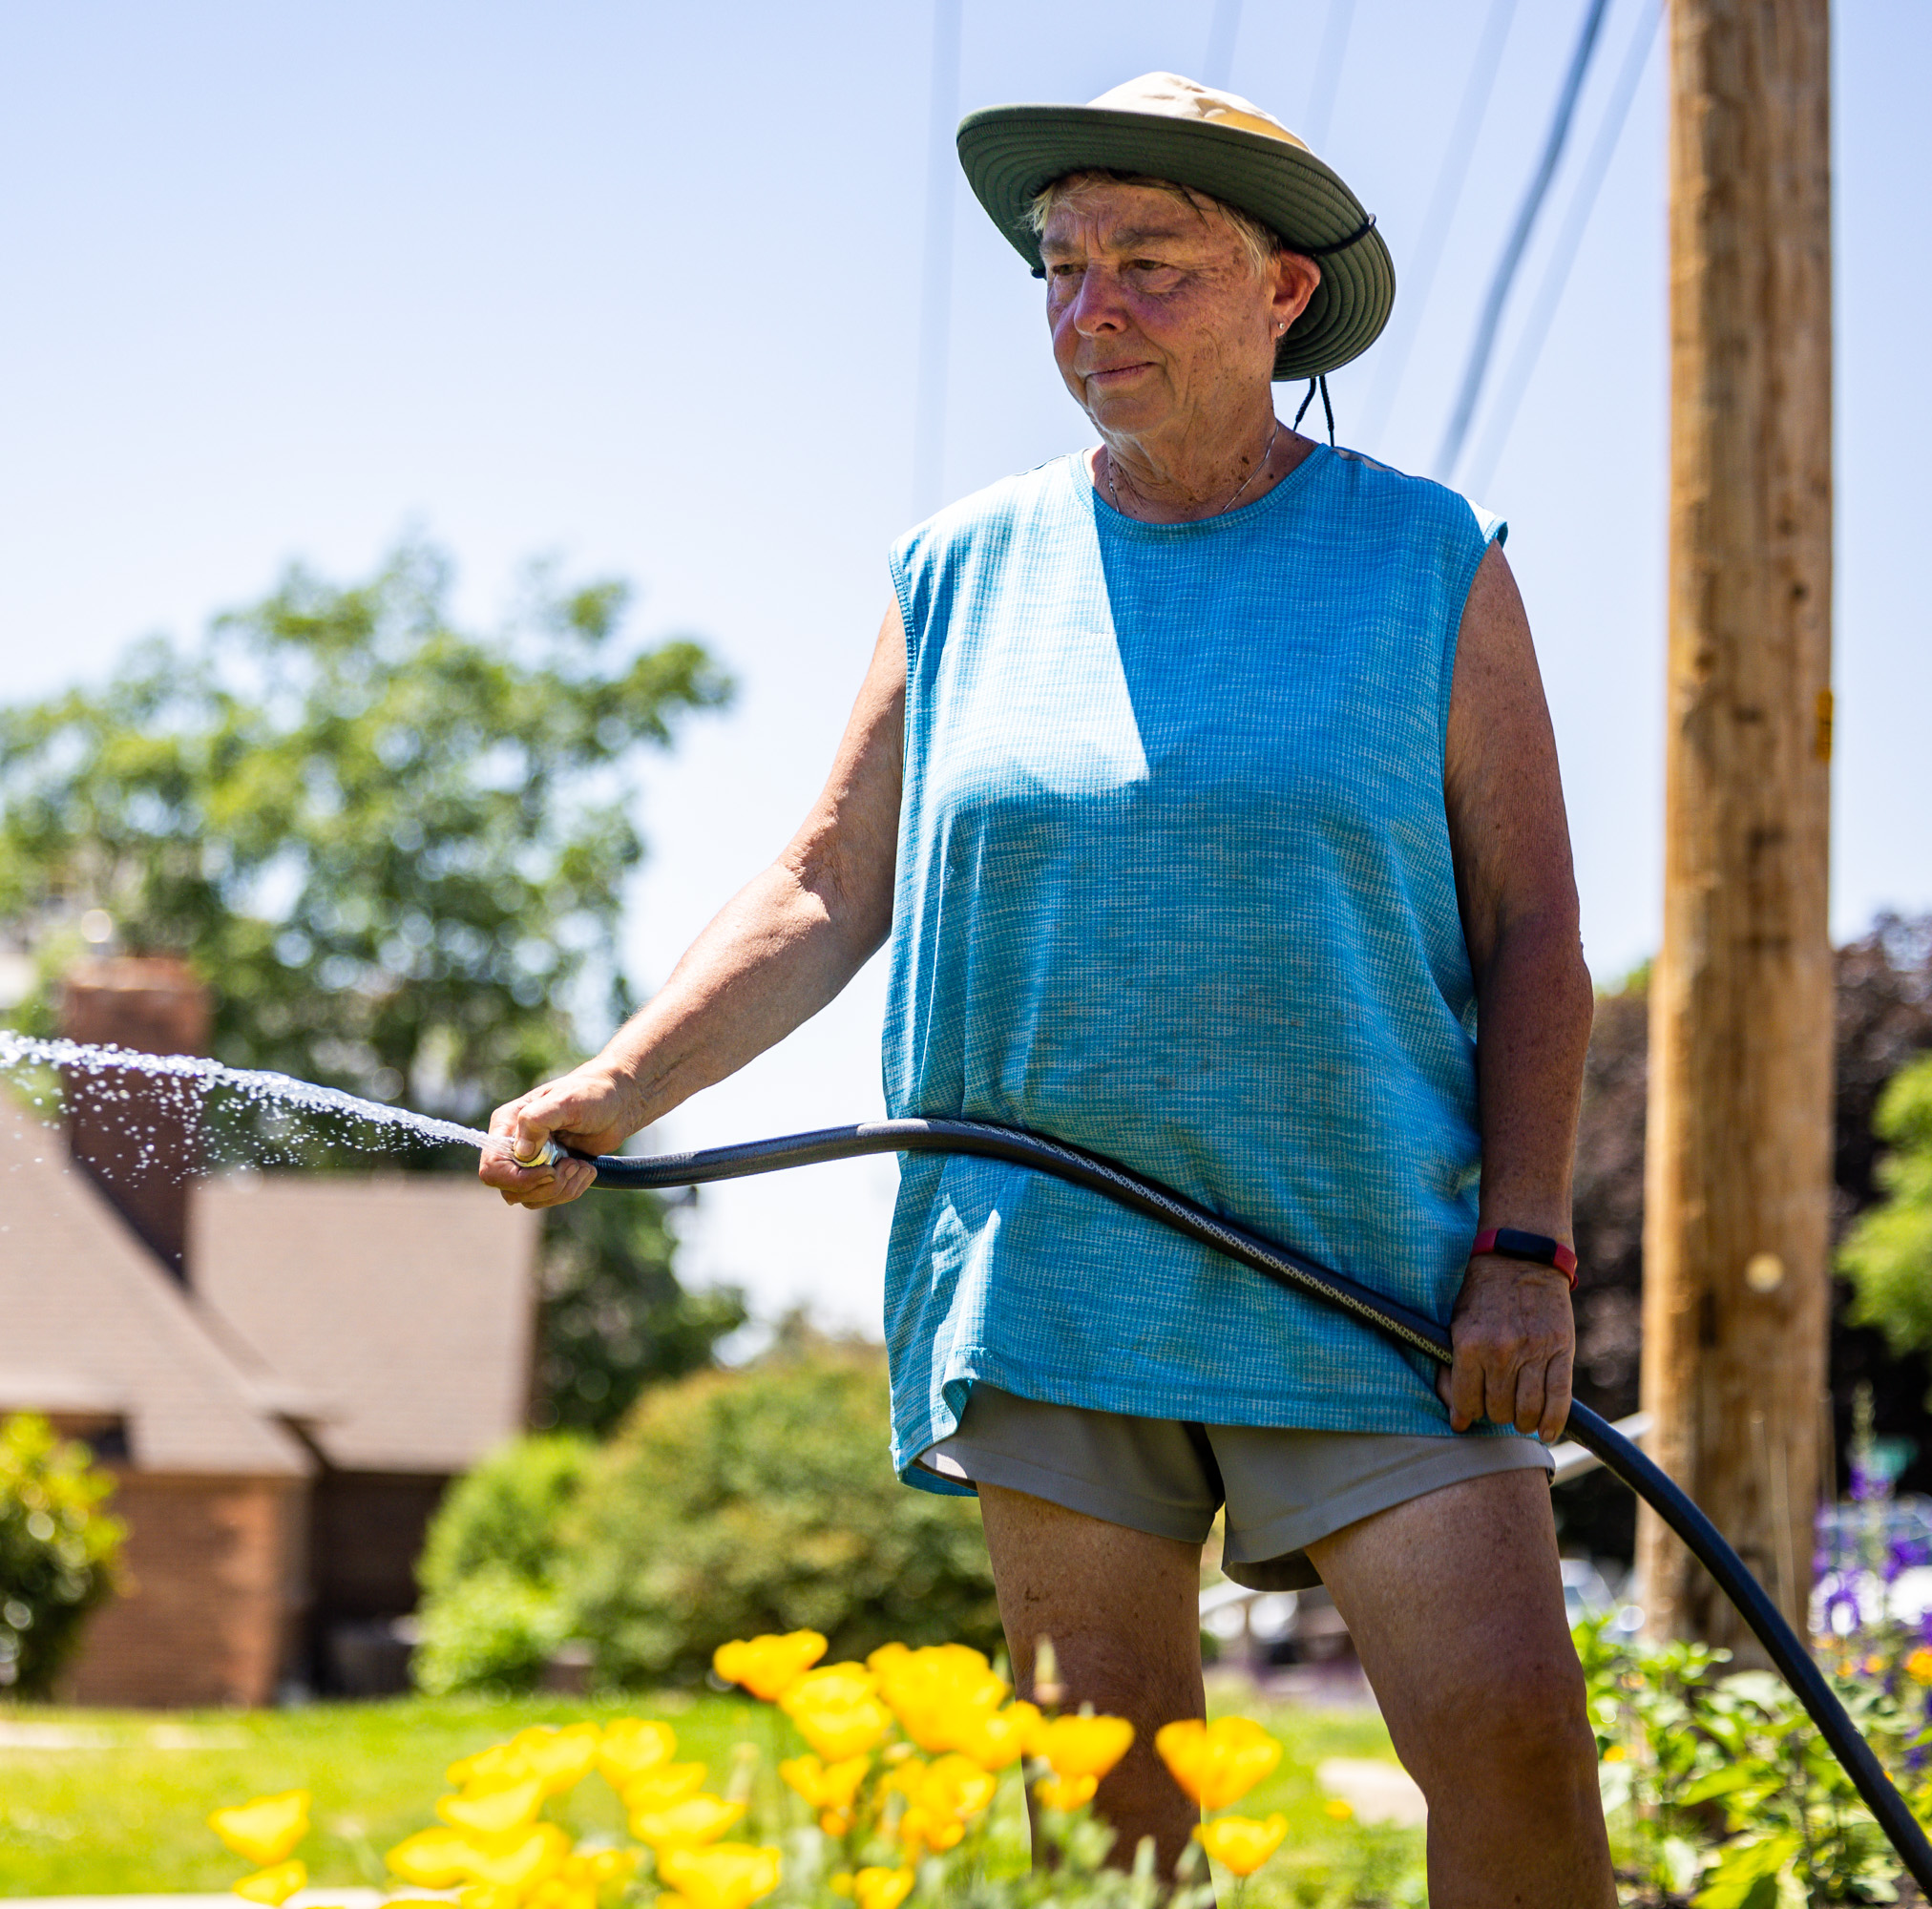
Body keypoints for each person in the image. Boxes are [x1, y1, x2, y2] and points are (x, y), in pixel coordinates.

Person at [482, 73, 1611, 1902]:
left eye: (1152, 266)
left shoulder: (1426, 562)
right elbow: (818, 886)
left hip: (1372, 1278)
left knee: (1516, 1750)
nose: (1095, 314)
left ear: (1282, 295)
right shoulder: (960, 572)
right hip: (1050, 1272)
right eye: (1066, 269)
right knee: (1112, 1827)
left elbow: (1536, 934)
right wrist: (616, 1087)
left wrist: (1529, 1245)